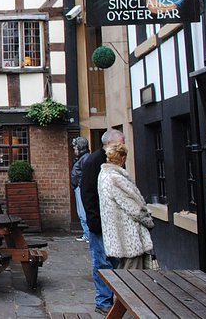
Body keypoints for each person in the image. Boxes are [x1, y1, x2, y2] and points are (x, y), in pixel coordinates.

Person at [80, 128, 125, 315]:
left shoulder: (114, 160)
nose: (123, 146)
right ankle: (103, 301)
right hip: (100, 223)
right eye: (120, 142)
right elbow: (88, 194)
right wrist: (95, 222)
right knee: (101, 262)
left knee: (115, 261)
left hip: (114, 223)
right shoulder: (94, 161)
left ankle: (115, 299)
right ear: (109, 143)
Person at [98, 142, 155, 269]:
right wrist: (149, 221)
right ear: (122, 158)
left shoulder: (104, 175)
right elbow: (135, 209)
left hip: (119, 236)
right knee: (133, 278)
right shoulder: (115, 178)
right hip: (129, 238)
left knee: (125, 277)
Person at [71, 137, 92, 243]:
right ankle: (86, 233)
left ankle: (88, 235)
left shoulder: (85, 158)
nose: (74, 150)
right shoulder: (82, 158)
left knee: (83, 213)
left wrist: (79, 185)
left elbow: (86, 175)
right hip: (78, 187)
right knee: (81, 213)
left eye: (75, 147)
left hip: (81, 188)